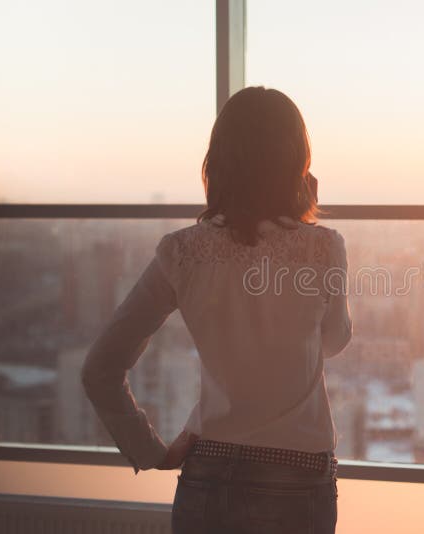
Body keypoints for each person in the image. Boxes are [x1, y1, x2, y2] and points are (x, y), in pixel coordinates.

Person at [81, 86, 352, 533]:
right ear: (298, 162)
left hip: (206, 474)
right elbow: (334, 341)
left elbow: (100, 368)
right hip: (297, 477)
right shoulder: (323, 248)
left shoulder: (182, 252)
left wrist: (150, 450)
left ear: (217, 161)